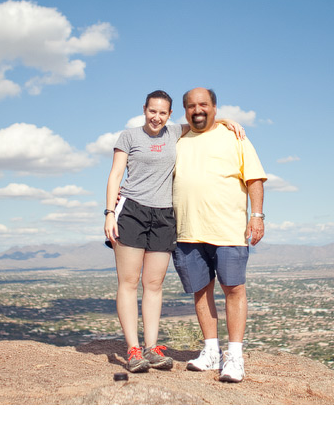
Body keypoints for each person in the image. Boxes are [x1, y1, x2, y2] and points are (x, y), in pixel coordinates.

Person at [104, 90, 245, 373]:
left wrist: (228, 120)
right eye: (151, 111)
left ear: (170, 115)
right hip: (131, 211)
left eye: (162, 113)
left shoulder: (174, 133)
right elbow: (115, 175)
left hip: (165, 215)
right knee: (129, 283)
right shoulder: (129, 137)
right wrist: (109, 213)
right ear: (144, 109)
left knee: (154, 285)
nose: (156, 117)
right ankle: (133, 350)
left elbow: (202, 120)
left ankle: (152, 348)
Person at [171, 87, 267, 383]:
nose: (197, 110)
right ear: (185, 110)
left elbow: (253, 178)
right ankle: (211, 352)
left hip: (228, 229)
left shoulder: (234, 136)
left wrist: (257, 216)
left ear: (214, 107)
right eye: (191, 106)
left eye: (203, 105)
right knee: (201, 290)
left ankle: (235, 357)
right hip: (187, 230)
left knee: (233, 289)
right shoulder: (178, 139)